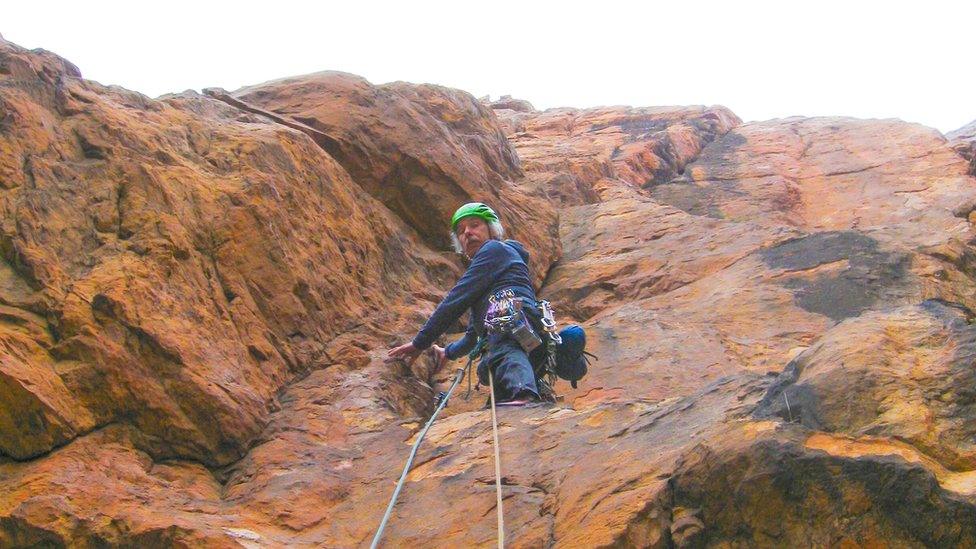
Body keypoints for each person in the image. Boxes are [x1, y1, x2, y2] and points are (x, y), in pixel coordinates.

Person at [386, 202, 544, 404]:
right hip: (519, 321)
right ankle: (523, 395)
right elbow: (474, 333)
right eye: (461, 231)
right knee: (499, 359)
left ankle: (524, 394)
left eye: (474, 225)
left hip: (509, 316)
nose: (467, 233)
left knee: (505, 349)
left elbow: (455, 300)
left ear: (492, 229)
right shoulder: (491, 272)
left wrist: (420, 343)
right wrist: (448, 352)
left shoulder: (494, 249)